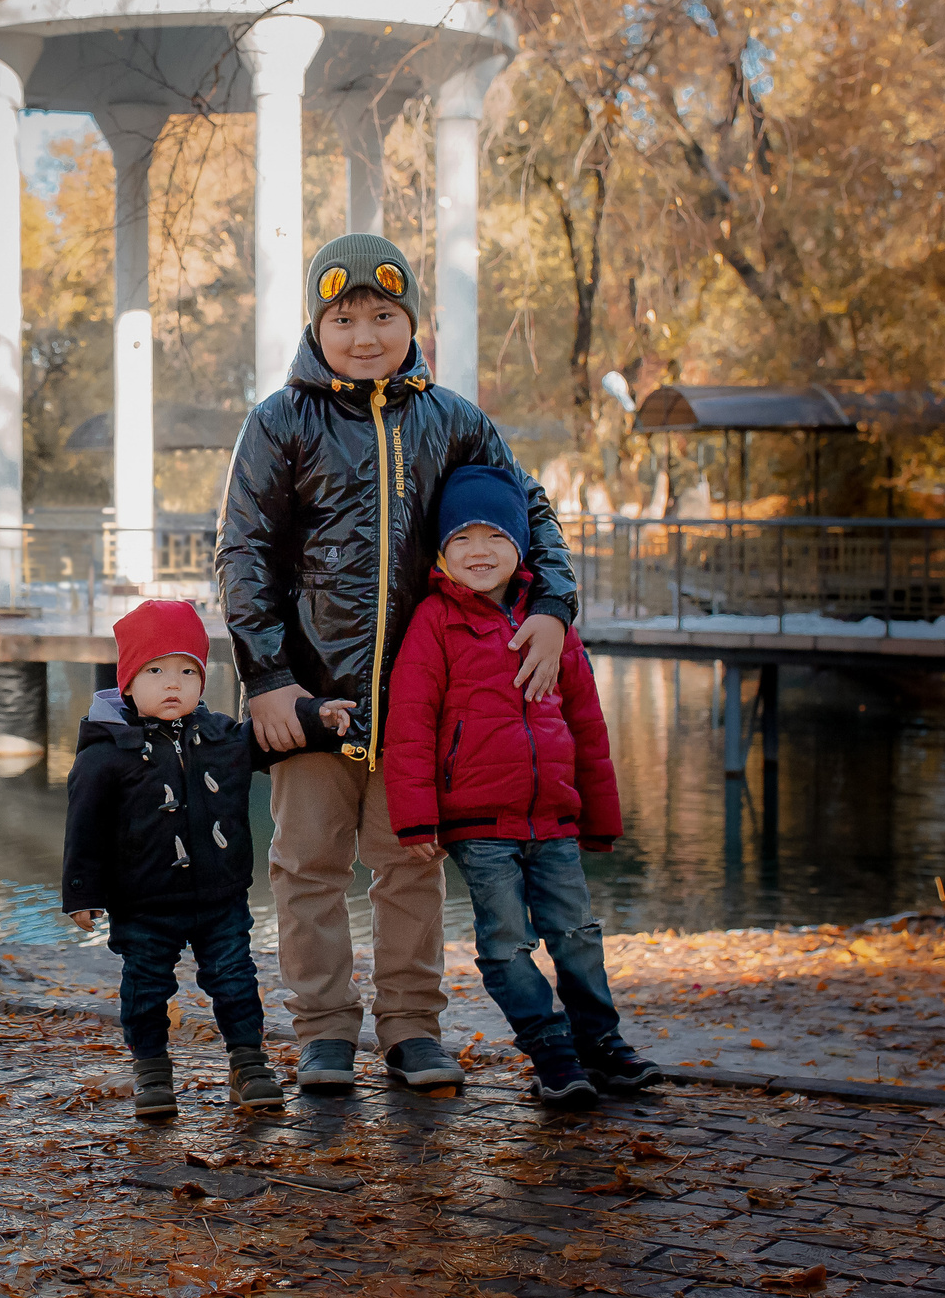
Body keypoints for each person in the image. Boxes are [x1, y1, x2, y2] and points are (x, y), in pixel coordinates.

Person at [218, 232, 580, 1094]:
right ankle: (324, 1032)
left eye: (384, 314)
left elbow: (531, 509)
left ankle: (412, 1028)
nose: (366, 334)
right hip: (311, 696)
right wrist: (268, 677)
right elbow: (244, 551)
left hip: (424, 700)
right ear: (318, 324)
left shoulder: (452, 419)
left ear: (411, 319)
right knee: (306, 868)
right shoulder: (280, 422)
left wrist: (553, 608)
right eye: (344, 318)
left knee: (410, 862)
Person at [381, 465, 658, 1109]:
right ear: (442, 553)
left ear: (521, 547)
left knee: (577, 935)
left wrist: (600, 814)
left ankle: (603, 1044)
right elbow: (412, 725)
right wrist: (417, 818)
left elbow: (586, 723)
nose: (479, 553)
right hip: (480, 823)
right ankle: (551, 1049)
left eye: (495, 538)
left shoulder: (549, 625)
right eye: (462, 541)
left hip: (555, 819)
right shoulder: (434, 623)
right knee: (505, 945)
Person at [63, 599, 349, 1118]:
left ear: (202, 679)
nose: (172, 683)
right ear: (127, 680)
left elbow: (270, 739)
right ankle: (151, 1071)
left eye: (187, 671)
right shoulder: (106, 753)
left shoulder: (220, 737)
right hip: (144, 902)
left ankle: (249, 1066)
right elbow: (85, 829)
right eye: (155, 671)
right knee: (146, 988)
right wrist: (83, 892)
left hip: (220, 898)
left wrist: (315, 715)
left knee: (236, 981)